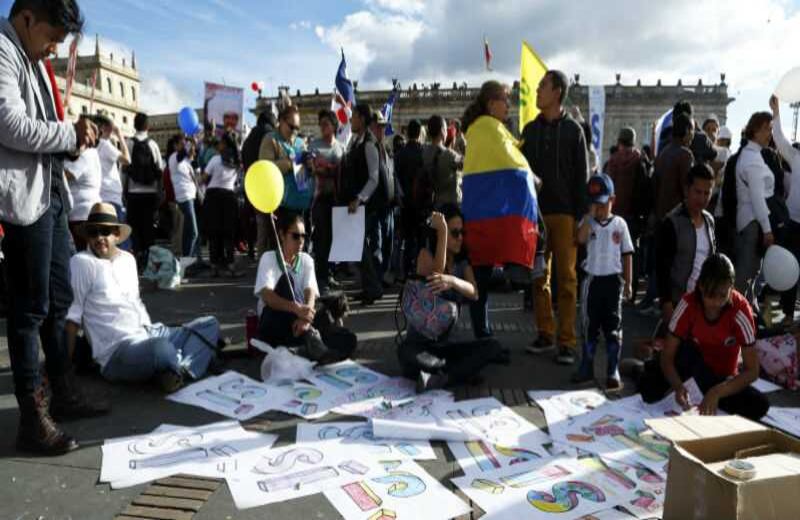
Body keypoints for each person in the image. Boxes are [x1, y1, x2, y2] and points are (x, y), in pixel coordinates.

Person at [1, 0, 108, 455]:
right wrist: (67, 135)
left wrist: (73, 138)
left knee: (59, 299)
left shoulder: (32, 60)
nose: (52, 50)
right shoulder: (4, 52)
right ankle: (32, 415)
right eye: (51, 38)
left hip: (52, 194)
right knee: (29, 310)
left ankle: (62, 391)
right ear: (26, 18)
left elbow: (45, 123)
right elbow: (9, 124)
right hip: (23, 202)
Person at [67, 203, 220, 392]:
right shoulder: (81, 262)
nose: (99, 238)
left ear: (116, 234)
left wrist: (152, 331)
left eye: (105, 231)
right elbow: (72, 317)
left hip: (148, 332)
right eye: (93, 232)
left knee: (209, 324)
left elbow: (135, 302)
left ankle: (178, 369)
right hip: (117, 350)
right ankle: (187, 362)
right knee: (162, 349)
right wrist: (63, 369)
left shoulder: (128, 260)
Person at [638, 254, 769, 421]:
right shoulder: (688, 304)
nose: (715, 302)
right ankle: (641, 370)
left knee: (759, 405)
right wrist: (678, 386)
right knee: (648, 390)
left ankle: (706, 394)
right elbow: (668, 356)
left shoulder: (741, 311)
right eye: (710, 295)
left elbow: (752, 371)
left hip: (721, 379)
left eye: (722, 296)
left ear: (731, 287)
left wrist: (717, 392)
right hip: (691, 371)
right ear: (700, 286)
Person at [521, 70, 590, 364]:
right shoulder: (529, 131)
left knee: (567, 279)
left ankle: (567, 341)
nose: (536, 92)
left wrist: (583, 218)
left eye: (542, 87)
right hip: (536, 216)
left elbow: (582, 177)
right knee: (539, 277)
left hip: (565, 215)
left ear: (557, 92)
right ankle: (545, 332)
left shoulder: (574, 131)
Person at [461, 80, 540, 340]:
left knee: (480, 280)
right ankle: (483, 337)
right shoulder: (489, 129)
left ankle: (483, 335)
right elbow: (516, 168)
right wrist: (533, 178)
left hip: (479, 212)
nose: (509, 105)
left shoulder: (480, 129)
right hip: (485, 214)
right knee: (481, 282)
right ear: (491, 102)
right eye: (506, 99)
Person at [398, 206, 504, 390]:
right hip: (420, 344)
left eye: (462, 232)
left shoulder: (462, 263)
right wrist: (443, 232)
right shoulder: (425, 254)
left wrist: (453, 281)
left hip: (447, 347)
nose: (460, 238)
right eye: (455, 233)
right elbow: (437, 273)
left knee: (492, 346)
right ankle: (453, 373)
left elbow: (474, 292)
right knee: (404, 352)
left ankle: (441, 377)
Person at [255, 212, 355, 362]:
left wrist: (306, 319)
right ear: (282, 235)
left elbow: (310, 292)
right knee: (286, 282)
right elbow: (267, 296)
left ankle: (301, 348)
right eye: (295, 236)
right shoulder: (268, 258)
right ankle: (313, 346)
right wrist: (296, 309)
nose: (301, 241)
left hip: (300, 324)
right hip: (276, 321)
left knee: (348, 338)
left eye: (303, 236)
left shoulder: (307, 259)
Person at [572, 174, 633, 391]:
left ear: (612, 200)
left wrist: (628, 283)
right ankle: (586, 366)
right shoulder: (588, 223)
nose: (598, 208)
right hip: (592, 281)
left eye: (603, 203)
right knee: (589, 326)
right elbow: (579, 239)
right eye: (594, 203)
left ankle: (612, 369)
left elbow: (627, 254)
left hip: (613, 282)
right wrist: (588, 218)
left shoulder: (620, 224)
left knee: (613, 328)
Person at [656, 163, 716, 324]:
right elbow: (662, 268)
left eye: (707, 193)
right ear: (686, 189)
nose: (702, 198)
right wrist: (666, 303)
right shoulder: (672, 222)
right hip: (677, 302)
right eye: (697, 192)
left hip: (703, 303)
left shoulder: (709, 221)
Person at [342, 103, 385, 304]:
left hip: (365, 205)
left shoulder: (368, 143)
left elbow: (374, 178)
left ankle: (373, 287)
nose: (351, 120)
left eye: (354, 117)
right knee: (358, 246)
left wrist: (359, 199)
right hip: (357, 205)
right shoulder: (356, 141)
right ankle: (369, 287)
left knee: (359, 245)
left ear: (361, 118)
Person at [734, 111, 775, 307]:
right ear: (755, 131)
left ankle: (747, 318)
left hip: (750, 222)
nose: (770, 134)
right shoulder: (753, 160)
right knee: (745, 277)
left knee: (749, 277)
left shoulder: (750, 154)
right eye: (767, 129)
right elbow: (758, 199)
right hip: (753, 223)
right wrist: (767, 230)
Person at [605, 127, 650, 301]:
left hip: (613, 214)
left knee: (613, 252)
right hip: (633, 215)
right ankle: (630, 292)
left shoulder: (612, 161)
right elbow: (645, 189)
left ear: (619, 141)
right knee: (631, 253)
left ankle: (613, 289)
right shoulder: (639, 160)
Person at [257, 104, 308, 255]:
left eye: (297, 128)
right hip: (279, 205)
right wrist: (290, 163)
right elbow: (266, 169)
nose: (294, 132)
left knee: (297, 248)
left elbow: (302, 175)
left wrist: (309, 165)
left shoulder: (299, 142)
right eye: (291, 127)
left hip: (298, 203)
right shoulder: (270, 139)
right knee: (279, 249)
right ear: (280, 121)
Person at [309, 109, 345, 294]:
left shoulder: (340, 147)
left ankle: (329, 273)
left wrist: (328, 168)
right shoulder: (314, 145)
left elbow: (342, 171)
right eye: (320, 123)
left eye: (326, 123)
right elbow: (314, 169)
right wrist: (331, 169)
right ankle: (321, 276)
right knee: (321, 239)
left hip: (336, 199)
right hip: (320, 198)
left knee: (333, 239)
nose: (322, 127)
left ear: (334, 126)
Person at [771, 95, 800, 325]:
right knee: (789, 272)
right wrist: (776, 112)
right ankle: (787, 316)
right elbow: (779, 139)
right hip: (793, 224)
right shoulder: (796, 156)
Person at [126, 112, 164, 269]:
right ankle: (150, 262)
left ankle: (138, 261)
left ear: (134, 126)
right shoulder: (153, 144)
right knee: (149, 228)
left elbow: (124, 170)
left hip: (133, 193)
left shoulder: (129, 143)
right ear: (148, 126)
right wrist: (160, 192)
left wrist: (124, 192)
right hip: (150, 193)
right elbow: (160, 170)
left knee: (135, 229)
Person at [203, 132, 241, 277]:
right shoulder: (236, 161)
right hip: (229, 197)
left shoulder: (215, 159)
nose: (218, 145)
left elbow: (203, 178)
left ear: (224, 144)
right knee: (228, 233)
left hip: (213, 196)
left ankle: (214, 266)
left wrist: (197, 178)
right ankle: (230, 265)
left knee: (214, 233)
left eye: (220, 142)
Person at [394, 118, 426, 276]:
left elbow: (396, 179)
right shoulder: (423, 152)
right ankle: (418, 269)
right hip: (421, 203)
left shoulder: (400, 154)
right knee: (421, 240)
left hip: (405, 202)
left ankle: (405, 271)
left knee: (408, 239)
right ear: (420, 133)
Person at [654, 112, 695, 221]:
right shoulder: (685, 155)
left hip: (660, 217)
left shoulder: (663, 153)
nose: (693, 135)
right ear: (687, 131)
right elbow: (687, 190)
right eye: (693, 130)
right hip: (677, 219)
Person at [64, 142, 102, 251]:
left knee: (83, 253)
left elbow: (68, 174)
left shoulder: (86, 154)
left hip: (81, 214)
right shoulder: (92, 153)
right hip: (84, 212)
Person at [95, 115, 130, 225]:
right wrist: (120, 135)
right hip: (111, 197)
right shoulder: (104, 145)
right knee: (118, 236)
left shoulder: (94, 145)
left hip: (101, 195)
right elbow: (127, 159)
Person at [424, 114, 464, 207]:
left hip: (434, 204)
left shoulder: (423, 152)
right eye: (446, 129)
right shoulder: (449, 155)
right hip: (451, 205)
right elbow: (466, 164)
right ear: (442, 131)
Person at [171, 139, 199, 259]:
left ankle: (193, 259)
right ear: (175, 145)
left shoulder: (185, 161)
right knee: (193, 231)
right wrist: (188, 143)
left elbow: (195, 170)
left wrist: (193, 150)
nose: (183, 146)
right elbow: (181, 155)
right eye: (180, 144)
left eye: (184, 144)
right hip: (185, 197)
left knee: (191, 231)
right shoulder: (174, 158)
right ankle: (187, 259)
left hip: (192, 197)